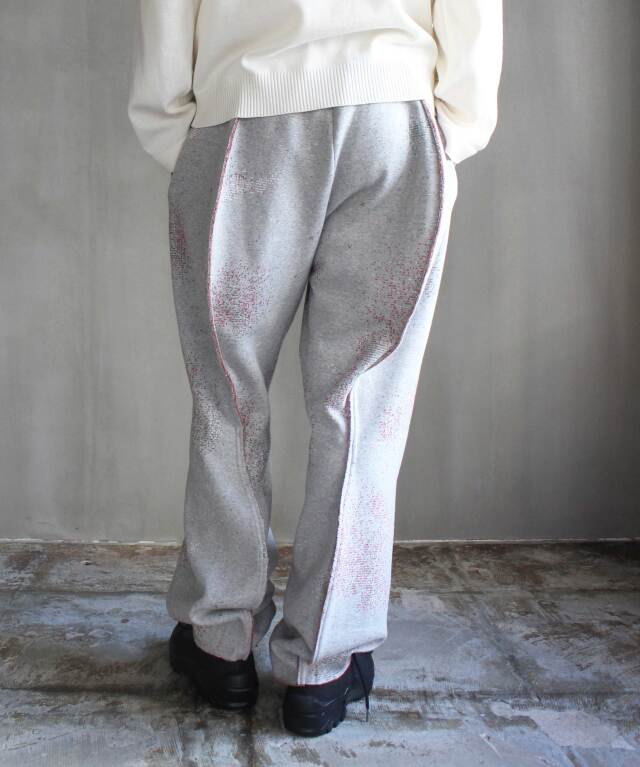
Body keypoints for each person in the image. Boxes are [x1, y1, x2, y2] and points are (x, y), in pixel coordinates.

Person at [128, 0, 502, 737]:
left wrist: (178, 125)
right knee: (364, 407)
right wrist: (450, 125)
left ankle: (221, 640)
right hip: (394, 116)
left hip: (246, 110)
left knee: (228, 397)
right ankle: (323, 664)